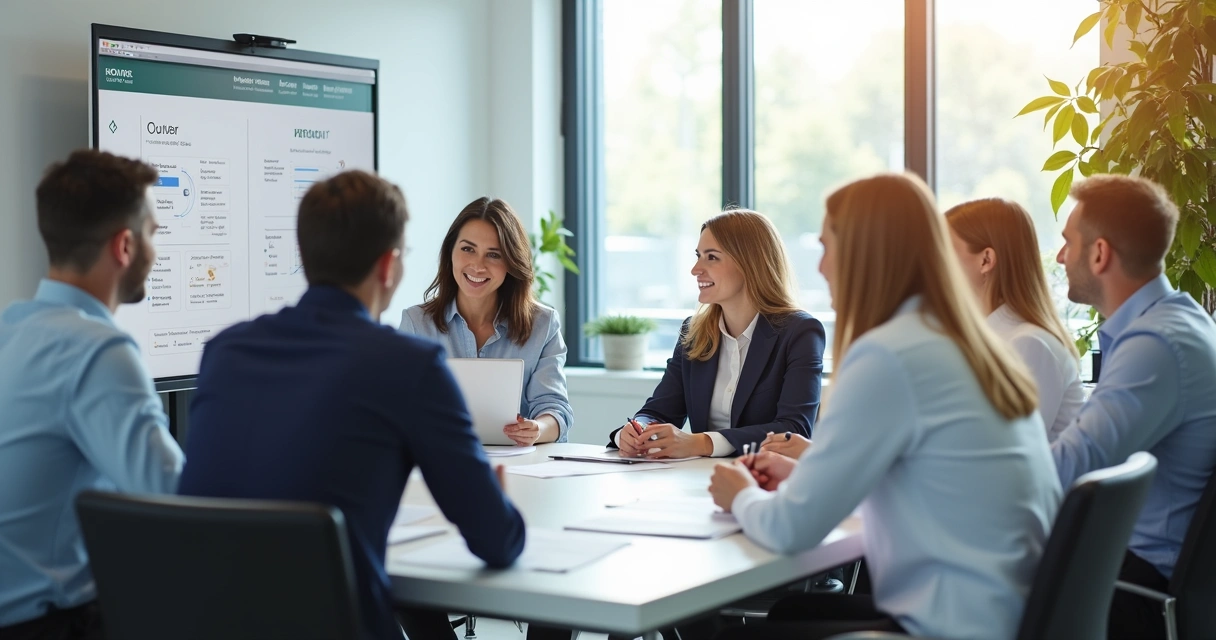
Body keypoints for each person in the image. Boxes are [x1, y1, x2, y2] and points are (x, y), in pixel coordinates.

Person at [708, 173, 1062, 640]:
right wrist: (807, 475)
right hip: (1006, 613)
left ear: (863, 254)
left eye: (827, 247)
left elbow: (791, 530)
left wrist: (739, 493)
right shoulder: (962, 340)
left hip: (949, 626)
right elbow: (931, 477)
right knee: (795, 611)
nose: (821, 267)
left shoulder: (889, 355)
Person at [177, 171, 525, 640]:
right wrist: (498, 504)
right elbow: (498, 541)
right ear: (388, 266)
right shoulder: (409, 364)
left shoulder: (224, 352)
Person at [0, 150, 184, 638]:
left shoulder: (9, 329)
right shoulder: (97, 349)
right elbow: (176, 501)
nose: (156, 248)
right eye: (154, 232)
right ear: (125, 246)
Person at [1051, 174, 1216, 640]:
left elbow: (1066, 473)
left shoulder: (1156, 344)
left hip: (1135, 593)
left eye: (1068, 242)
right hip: (1132, 575)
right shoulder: (1177, 321)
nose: (1061, 256)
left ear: (1099, 254)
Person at [608, 209, 825, 460]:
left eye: (711, 257)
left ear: (749, 263)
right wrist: (634, 431)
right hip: (701, 477)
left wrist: (701, 443)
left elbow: (794, 430)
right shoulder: (693, 332)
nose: (695, 269)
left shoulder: (800, 332)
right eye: (698, 256)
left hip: (768, 477)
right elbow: (659, 411)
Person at [400, 197, 572, 445]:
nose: (477, 266)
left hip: (521, 461)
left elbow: (555, 409)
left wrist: (537, 429)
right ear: (450, 252)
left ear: (511, 262)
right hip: (441, 456)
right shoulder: (416, 323)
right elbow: (400, 406)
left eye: (494, 254)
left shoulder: (543, 324)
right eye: (467, 249)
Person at [945, 197, 1085, 440]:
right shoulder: (987, 337)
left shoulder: (1028, 344)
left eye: (943, 248)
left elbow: (1003, 449)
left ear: (986, 260)